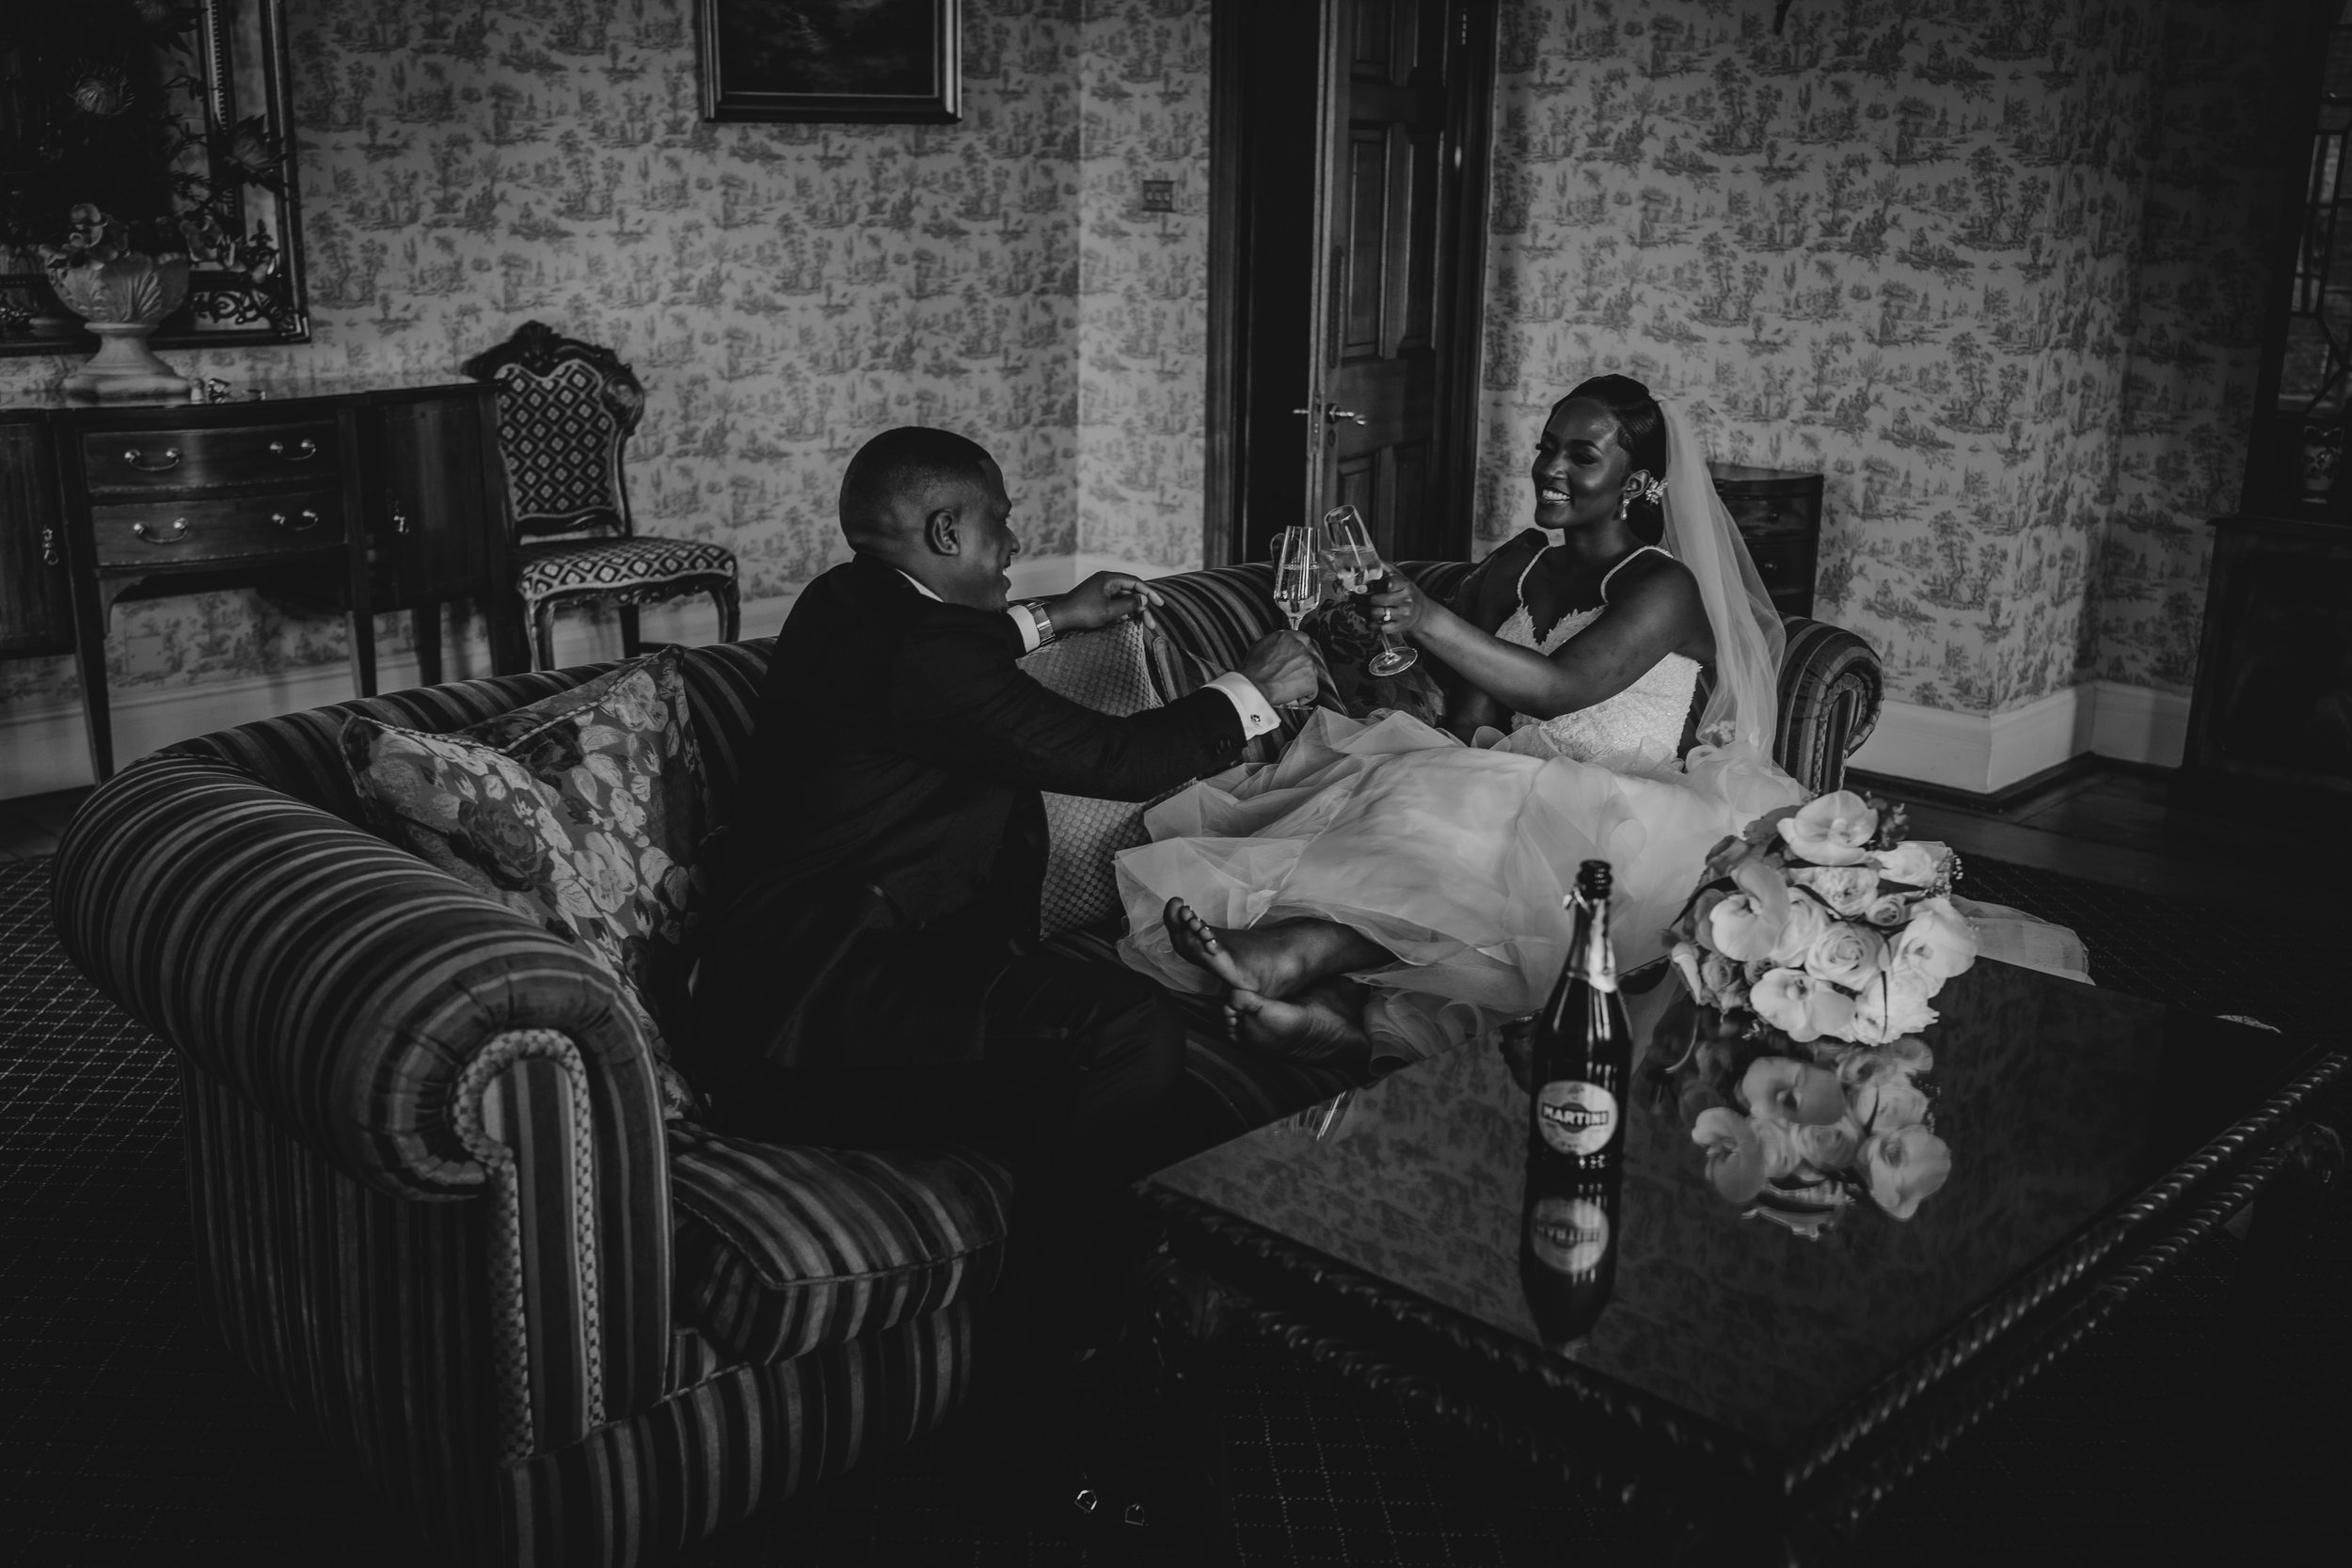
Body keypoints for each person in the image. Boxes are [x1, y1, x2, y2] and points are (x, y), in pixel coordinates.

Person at [690, 427, 1317, 1538]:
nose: (1014, 542)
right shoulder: (927, 659)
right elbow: (1115, 759)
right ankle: (1026, 1420)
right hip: (810, 1019)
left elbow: (952, 644)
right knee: (1124, 1031)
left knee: (1133, 1083)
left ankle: (1132, 1343)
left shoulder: (842, 601)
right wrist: (1251, 692)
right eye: (1000, 524)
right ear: (945, 530)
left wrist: (1054, 615)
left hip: (788, 982)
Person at [1116, 376, 1806, 1068]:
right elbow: (1476, 714)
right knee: (1425, 812)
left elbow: (1559, 689)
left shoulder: (1664, 586)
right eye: (1546, 447)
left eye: (1582, 456)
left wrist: (1426, 616)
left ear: (1637, 482)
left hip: (1628, 816)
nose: (1551, 468)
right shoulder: (1520, 566)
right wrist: (1403, 688)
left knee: (1479, 829)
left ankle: (1293, 954)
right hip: (1511, 772)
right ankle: (1331, 1013)